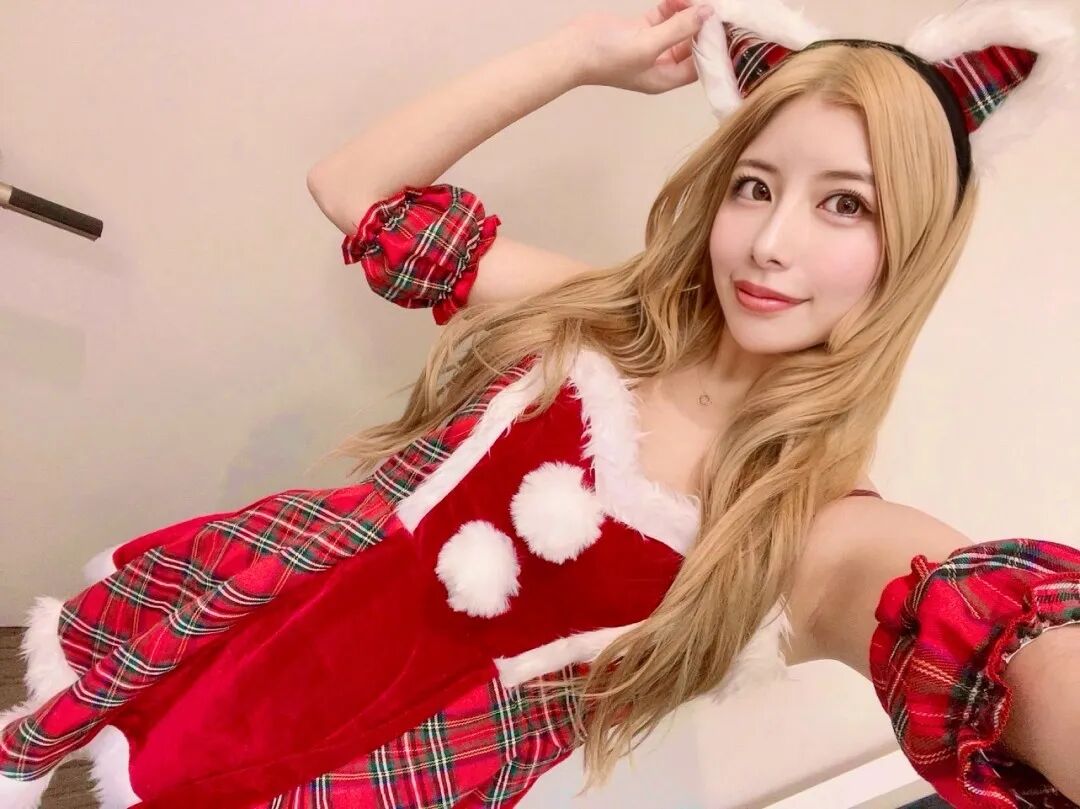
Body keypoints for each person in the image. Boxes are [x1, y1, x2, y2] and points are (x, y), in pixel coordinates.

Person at [2, 1, 1078, 807]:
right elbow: (355, 191)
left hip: (392, 764)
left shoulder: (806, 518)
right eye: (755, 185)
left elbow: (994, 637)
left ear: (910, 248)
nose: (770, 242)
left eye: (845, 205)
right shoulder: (610, 314)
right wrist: (580, 58)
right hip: (278, 608)